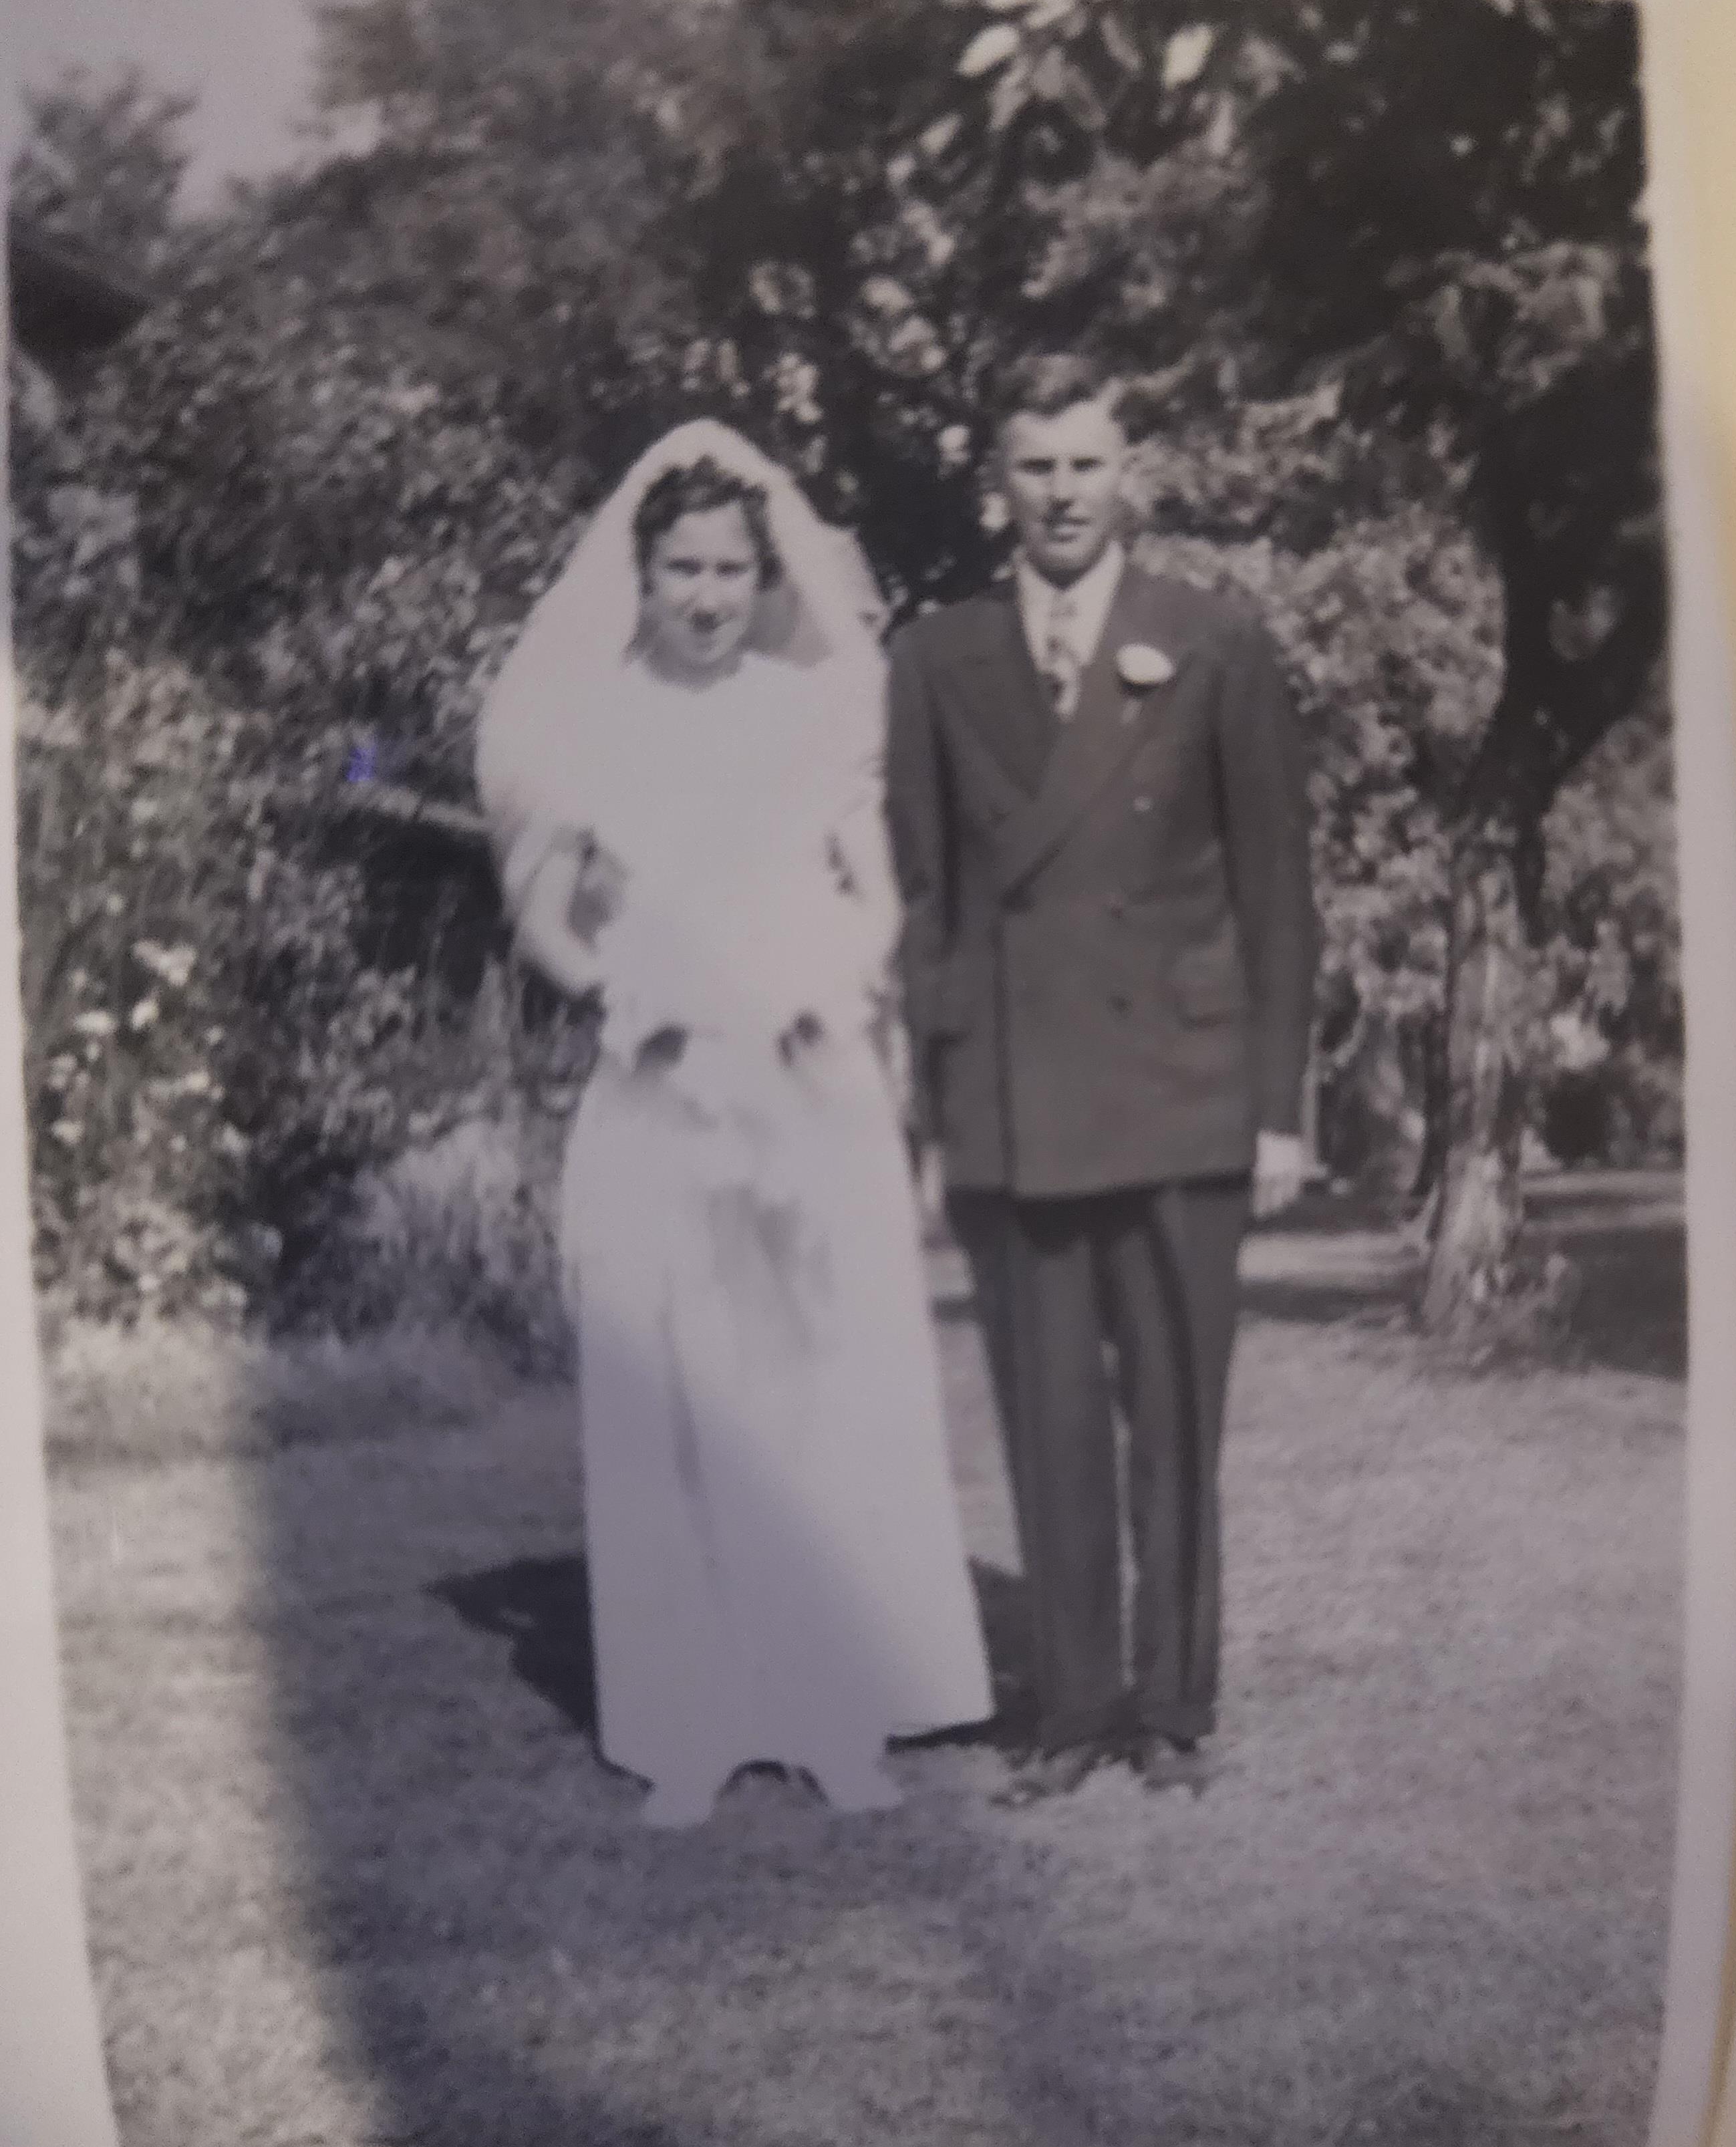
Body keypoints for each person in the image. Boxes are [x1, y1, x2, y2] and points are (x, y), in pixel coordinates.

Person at [478, 418, 992, 1828]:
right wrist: (620, 989)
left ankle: (834, 1716)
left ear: (766, 575)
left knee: (820, 1392)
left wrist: (837, 980)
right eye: (680, 568)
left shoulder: (816, 708)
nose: (705, 594)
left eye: (728, 568)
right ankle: (692, 1721)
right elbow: (538, 921)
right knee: (683, 1398)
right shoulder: (587, 720)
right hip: (659, 1078)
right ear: (637, 574)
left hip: (803, 1066)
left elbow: (876, 889)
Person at [884, 353, 1317, 1804]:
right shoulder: (935, 656)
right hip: (1015, 1097)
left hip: (1183, 1084)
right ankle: (1073, 1709)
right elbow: (930, 900)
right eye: (1034, 466)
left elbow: (1277, 889)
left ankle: (1173, 1704)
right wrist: (939, 1113)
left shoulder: (1213, 639)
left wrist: (1275, 1109)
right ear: (993, 480)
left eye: (1084, 464)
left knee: (1176, 1419)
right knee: (1049, 1411)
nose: (1061, 494)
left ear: (1128, 472)